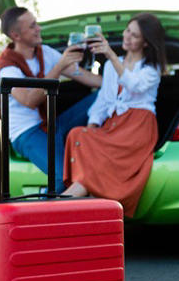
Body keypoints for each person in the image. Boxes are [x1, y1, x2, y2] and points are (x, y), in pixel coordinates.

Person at [62, 13, 167, 218]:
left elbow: (134, 84)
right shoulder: (112, 65)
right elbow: (104, 100)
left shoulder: (151, 68)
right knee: (78, 135)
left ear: (145, 43)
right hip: (114, 125)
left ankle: (70, 198)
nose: (127, 37)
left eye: (134, 35)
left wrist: (109, 54)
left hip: (137, 127)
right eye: (127, 30)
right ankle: (81, 193)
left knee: (92, 147)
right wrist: (92, 127)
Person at [0, 7, 102, 193]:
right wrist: (59, 66)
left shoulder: (45, 53)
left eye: (36, 23)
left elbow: (85, 77)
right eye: (32, 26)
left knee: (100, 97)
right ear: (16, 35)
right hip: (27, 133)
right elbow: (29, 100)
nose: (39, 28)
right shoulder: (8, 68)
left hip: (51, 122)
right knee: (63, 178)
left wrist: (120, 84)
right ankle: (41, 206)